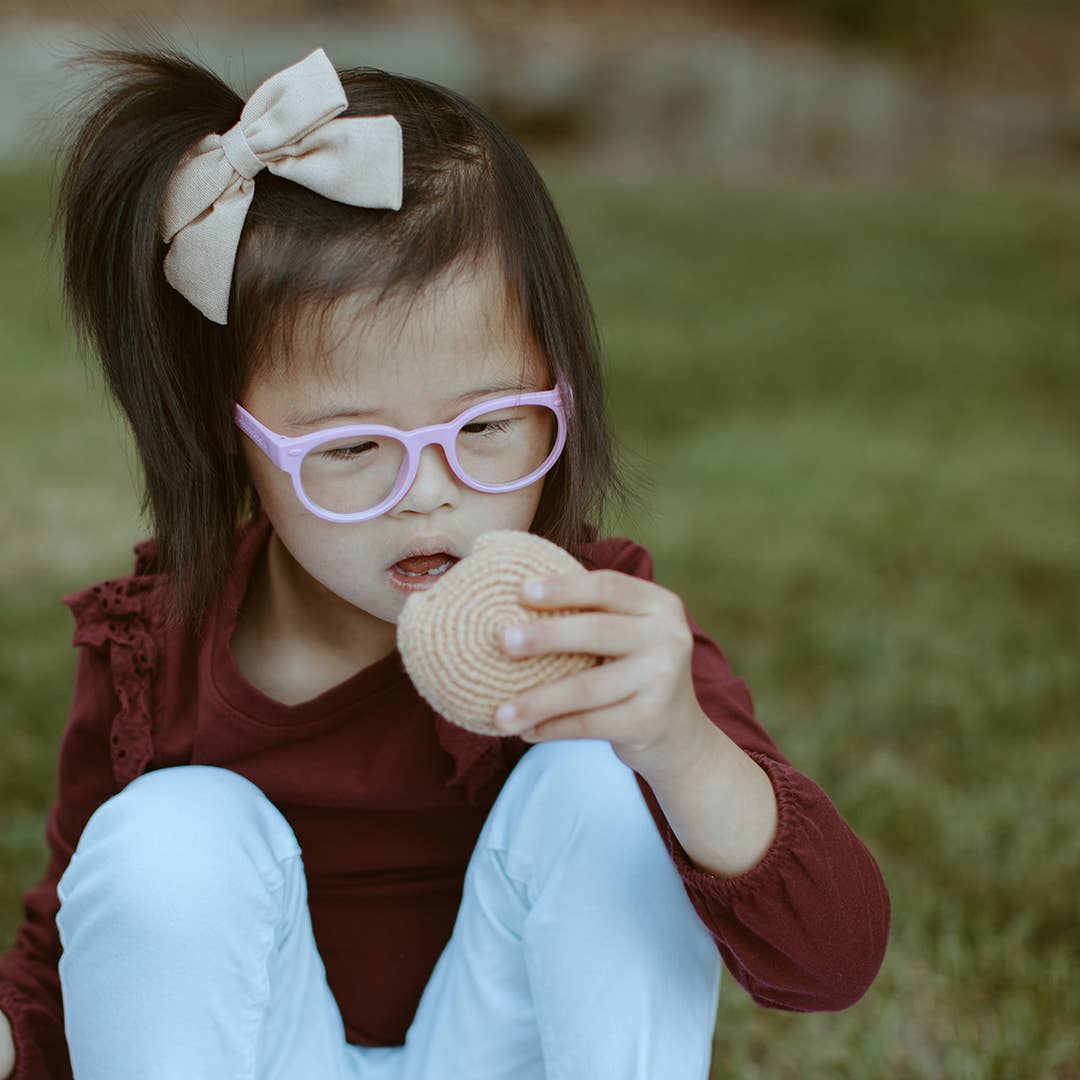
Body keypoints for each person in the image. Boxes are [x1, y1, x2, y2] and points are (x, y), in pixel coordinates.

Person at [0, 40, 890, 1080]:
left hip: (501, 1051)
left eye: (491, 426)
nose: (432, 492)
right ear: (230, 438)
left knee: (603, 780)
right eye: (347, 449)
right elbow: (88, 975)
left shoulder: (592, 629)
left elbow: (831, 964)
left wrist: (680, 744)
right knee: (163, 837)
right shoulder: (157, 648)